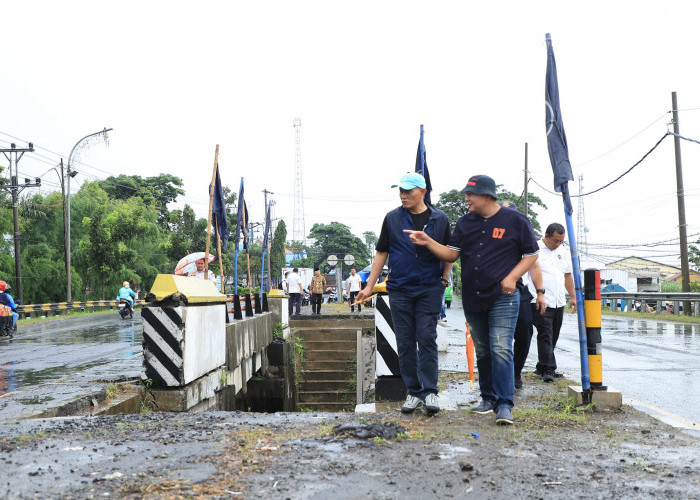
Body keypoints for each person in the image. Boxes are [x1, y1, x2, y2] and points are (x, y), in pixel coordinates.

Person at [404, 175, 538, 425]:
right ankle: (487, 397)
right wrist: (428, 241)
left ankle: (505, 404)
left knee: (500, 348)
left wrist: (512, 277)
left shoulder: (515, 220)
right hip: (473, 297)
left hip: (504, 296)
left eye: (470, 194)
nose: (466, 199)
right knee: (484, 349)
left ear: (487, 196)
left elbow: (531, 254)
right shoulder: (465, 222)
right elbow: (451, 255)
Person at [354, 172, 451, 415]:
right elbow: (381, 253)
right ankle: (413, 392)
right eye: (400, 191)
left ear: (423, 192)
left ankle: (430, 391)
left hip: (429, 287)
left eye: (408, 191)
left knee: (426, 338)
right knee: (405, 342)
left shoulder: (440, 219)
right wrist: (369, 286)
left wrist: (444, 279)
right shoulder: (392, 218)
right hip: (400, 288)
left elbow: (450, 251)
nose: (403, 195)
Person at [499, 202, 546, 390]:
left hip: (520, 291)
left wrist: (540, 293)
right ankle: (499, 376)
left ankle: (515, 372)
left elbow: (534, 265)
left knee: (525, 334)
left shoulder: (523, 237)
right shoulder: (493, 234)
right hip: (495, 291)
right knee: (497, 338)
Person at [528, 223, 576, 382]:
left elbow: (567, 276)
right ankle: (549, 369)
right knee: (545, 334)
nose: (558, 244)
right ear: (546, 236)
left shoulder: (563, 252)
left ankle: (541, 366)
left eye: (561, 241)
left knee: (553, 335)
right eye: (555, 240)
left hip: (558, 301)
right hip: (539, 299)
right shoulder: (534, 248)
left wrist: (573, 297)